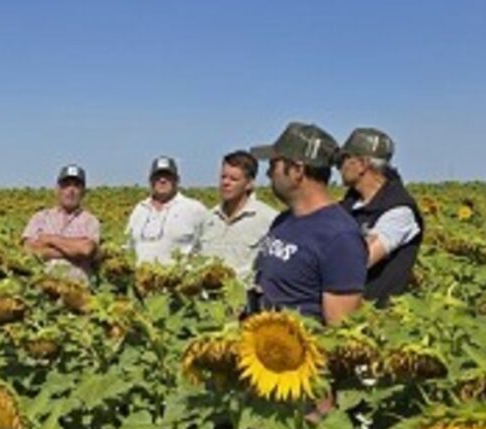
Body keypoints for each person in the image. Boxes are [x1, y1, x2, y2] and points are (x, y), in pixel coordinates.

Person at [249, 122, 367, 325]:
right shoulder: (283, 220)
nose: (268, 174)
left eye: (273, 165)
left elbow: (340, 329)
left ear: (297, 170)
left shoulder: (340, 237)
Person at [337, 128, 423, 305]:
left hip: (377, 315)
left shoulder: (399, 210)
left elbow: (358, 261)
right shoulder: (350, 203)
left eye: (344, 158)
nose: (339, 166)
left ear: (362, 164)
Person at [199, 150, 278, 282]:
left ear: (249, 184)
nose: (226, 183)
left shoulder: (269, 220)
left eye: (233, 179)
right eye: (223, 177)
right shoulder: (208, 218)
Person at [22, 164, 101, 283]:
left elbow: (86, 250)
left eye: (76, 186)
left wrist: (49, 239)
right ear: (57, 190)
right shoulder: (40, 218)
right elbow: (28, 250)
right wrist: (74, 251)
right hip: (41, 287)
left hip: (79, 289)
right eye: (66, 185)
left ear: (83, 191)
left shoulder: (91, 221)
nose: (71, 190)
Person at [125, 156, 207, 265]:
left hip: (180, 275)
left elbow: (209, 246)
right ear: (150, 180)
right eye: (158, 176)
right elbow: (129, 247)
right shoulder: (139, 209)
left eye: (167, 175)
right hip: (141, 275)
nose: (162, 180)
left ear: (177, 180)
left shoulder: (195, 209)